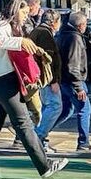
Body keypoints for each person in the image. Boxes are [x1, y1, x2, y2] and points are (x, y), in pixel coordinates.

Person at [0, 0, 69, 179]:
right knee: (23, 124)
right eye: (24, 12)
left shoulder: (14, 27)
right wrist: (20, 42)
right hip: (4, 81)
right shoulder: (3, 24)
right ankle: (44, 166)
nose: (26, 16)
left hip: (0, 80)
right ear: (15, 10)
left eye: (28, 12)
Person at [54, 11, 91, 152]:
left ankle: (40, 133)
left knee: (65, 110)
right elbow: (73, 65)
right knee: (84, 109)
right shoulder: (75, 38)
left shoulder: (63, 34)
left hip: (64, 80)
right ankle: (84, 143)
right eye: (85, 24)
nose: (86, 27)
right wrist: (78, 87)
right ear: (80, 25)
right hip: (73, 81)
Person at [29, 9, 62, 154]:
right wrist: (53, 80)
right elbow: (48, 60)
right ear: (54, 22)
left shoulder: (38, 32)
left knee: (47, 107)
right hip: (46, 78)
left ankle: (41, 140)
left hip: (41, 77)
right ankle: (38, 136)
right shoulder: (44, 34)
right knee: (55, 106)